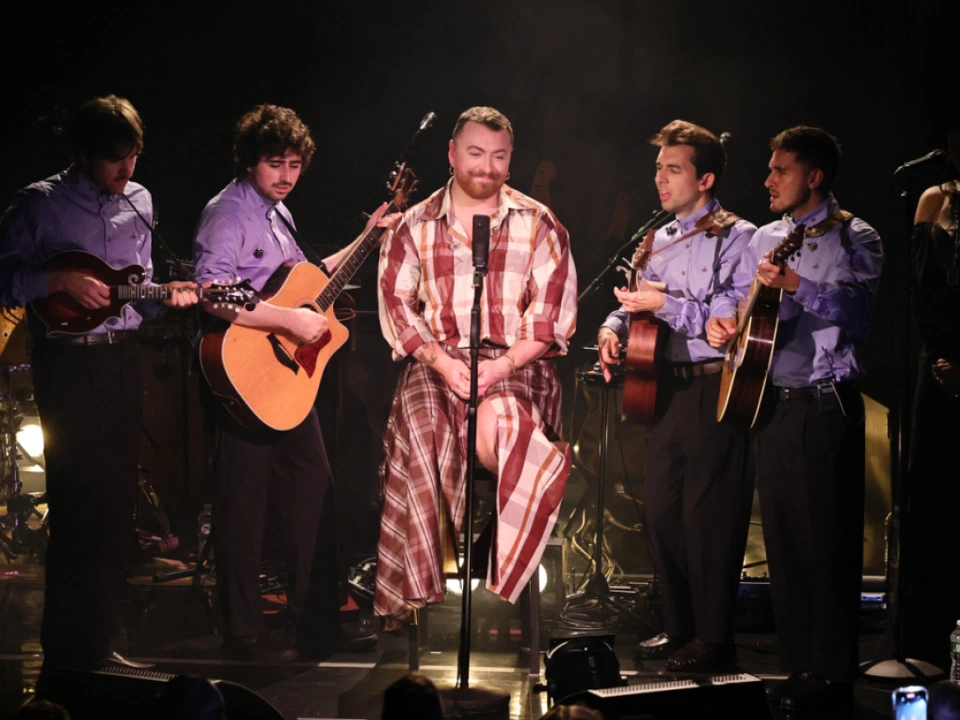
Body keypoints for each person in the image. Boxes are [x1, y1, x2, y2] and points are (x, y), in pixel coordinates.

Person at [0, 95, 197, 690]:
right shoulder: (39, 203)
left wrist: (169, 295)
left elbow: (137, 287)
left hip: (121, 358)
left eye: (133, 155)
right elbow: (4, 277)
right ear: (83, 154)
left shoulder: (140, 200)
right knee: (78, 504)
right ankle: (65, 652)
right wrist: (53, 278)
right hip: (66, 361)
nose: (126, 169)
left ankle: (103, 644)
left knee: (115, 508)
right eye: (114, 158)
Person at [375, 106, 577, 627]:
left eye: (498, 157)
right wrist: (444, 363)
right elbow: (398, 309)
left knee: (506, 427)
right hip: (437, 361)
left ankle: (503, 574)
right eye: (475, 153)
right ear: (452, 153)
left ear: (510, 159)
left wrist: (500, 366)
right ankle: (420, 585)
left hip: (516, 364)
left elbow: (550, 319)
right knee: (423, 427)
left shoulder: (540, 223)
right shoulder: (414, 224)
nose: (487, 167)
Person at [193, 103, 382, 661]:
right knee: (243, 508)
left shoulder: (279, 215)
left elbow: (309, 282)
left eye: (295, 165)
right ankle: (243, 634)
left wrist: (368, 237)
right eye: (276, 163)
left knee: (313, 491)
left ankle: (316, 622)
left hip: (286, 382)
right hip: (242, 374)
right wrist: (288, 322)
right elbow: (213, 293)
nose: (286, 175)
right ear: (249, 160)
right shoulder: (227, 213)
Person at [706, 126, 883, 711]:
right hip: (772, 404)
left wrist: (798, 284)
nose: (768, 180)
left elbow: (857, 309)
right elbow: (738, 301)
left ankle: (832, 676)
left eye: (780, 170)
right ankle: (798, 669)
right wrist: (725, 321)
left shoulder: (857, 235)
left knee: (826, 545)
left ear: (814, 176)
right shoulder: (765, 236)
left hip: (825, 405)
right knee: (783, 546)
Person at [597, 120, 756, 672]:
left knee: (708, 518)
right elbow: (633, 303)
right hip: (663, 387)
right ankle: (679, 626)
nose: (660, 179)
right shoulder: (656, 238)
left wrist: (663, 305)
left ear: (705, 178)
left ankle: (714, 639)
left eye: (673, 169)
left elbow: (726, 320)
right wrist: (613, 327)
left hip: (714, 386)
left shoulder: (740, 236)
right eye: (658, 168)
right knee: (663, 515)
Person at [896, 126, 960, 670]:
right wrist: (942, 357)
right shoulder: (935, 198)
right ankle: (926, 642)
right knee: (933, 495)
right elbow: (921, 288)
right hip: (940, 366)